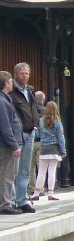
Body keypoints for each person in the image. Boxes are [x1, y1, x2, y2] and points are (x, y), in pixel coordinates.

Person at [9, 62, 39, 210]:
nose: (25, 76)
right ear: (15, 74)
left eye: (27, 73)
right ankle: (13, 200)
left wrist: (35, 124)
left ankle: (22, 199)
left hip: (30, 132)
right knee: (15, 168)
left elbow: (34, 108)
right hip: (19, 134)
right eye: (22, 73)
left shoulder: (30, 91)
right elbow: (12, 114)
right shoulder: (11, 92)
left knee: (25, 169)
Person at [31, 101, 66, 202]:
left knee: (41, 171)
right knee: (52, 171)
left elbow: (37, 135)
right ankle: (50, 193)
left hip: (43, 148)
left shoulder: (41, 121)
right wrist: (63, 150)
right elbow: (61, 137)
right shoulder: (57, 122)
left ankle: (36, 193)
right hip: (54, 148)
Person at [0, 71, 24, 214]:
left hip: (5, 144)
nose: (11, 84)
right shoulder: (2, 101)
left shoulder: (5, 99)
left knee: (6, 174)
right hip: (5, 146)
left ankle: (6, 202)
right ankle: (5, 204)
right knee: (6, 175)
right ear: (5, 84)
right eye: (10, 81)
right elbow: (5, 126)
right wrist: (14, 145)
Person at [29, 90, 46, 196]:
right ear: (43, 99)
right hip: (42, 141)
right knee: (42, 167)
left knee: (31, 167)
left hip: (31, 140)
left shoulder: (31, 110)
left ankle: (32, 188)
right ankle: (40, 189)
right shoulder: (45, 111)